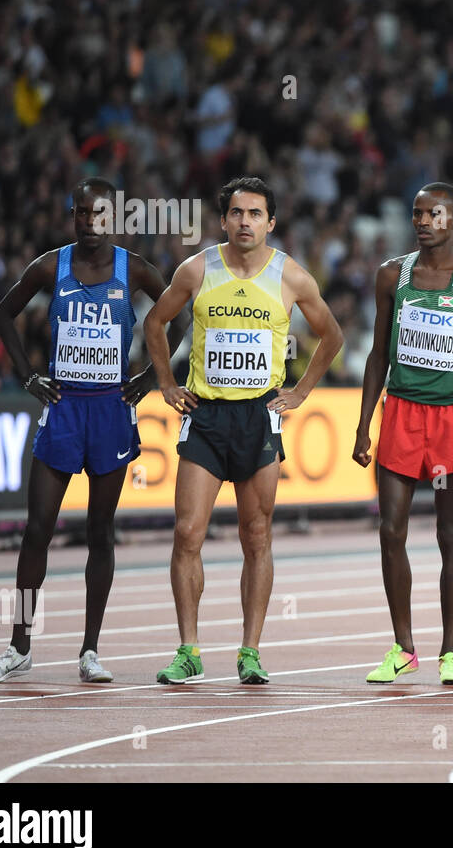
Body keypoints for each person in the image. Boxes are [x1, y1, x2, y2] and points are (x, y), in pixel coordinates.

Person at [0, 177, 185, 683]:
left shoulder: (133, 269)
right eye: (82, 215)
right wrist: (26, 374)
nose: (91, 224)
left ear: (115, 219)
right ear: (73, 217)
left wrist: (150, 377)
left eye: (100, 216)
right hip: (64, 408)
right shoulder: (53, 264)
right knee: (36, 530)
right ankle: (18, 646)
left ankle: (90, 651)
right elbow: (3, 314)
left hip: (111, 411)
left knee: (100, 532)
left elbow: (179, 316)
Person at [143, 176, 342, 684]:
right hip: (206, 415)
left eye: (255, 214)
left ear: (270, 223)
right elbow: (155, 322)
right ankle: (188, 649)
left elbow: (332, 335)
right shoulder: (197, 269)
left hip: (258, 418)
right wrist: (166, 382)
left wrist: (299, 393)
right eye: (236, 213)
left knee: (256, 535)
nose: (244, 222)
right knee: (187, 532)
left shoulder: (291, 276)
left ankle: (250, 651)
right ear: (224, 219)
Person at [352, 183, 453, 686]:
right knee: (391, 530)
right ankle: (403, 646)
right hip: (401, 414)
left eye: (433, 213)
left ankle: (450, 652)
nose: (421, 220)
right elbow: (378, 353)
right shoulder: (392, 274)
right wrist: (363, 421)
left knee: (448, 532)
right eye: (416, 213)